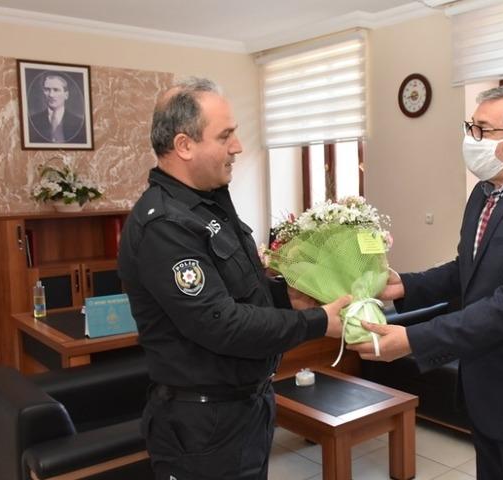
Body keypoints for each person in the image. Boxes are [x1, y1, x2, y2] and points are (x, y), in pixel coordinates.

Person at [350, 84, 503, 480]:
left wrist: (414, 339)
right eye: (471, 127)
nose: (472, 139)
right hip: (488, 393)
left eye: (484, 130)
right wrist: (405, 285)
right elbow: (468, 268)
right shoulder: (486, 193)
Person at [117, 77, 350, 480]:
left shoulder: (208, 206)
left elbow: (243, 290)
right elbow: (220, 323)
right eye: (225, 136)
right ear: (184, 146)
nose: (238, 147)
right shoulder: (165, 226)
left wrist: (286, 297)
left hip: (244, 409)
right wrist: (317, 322)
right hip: (202, 426)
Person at [28, 73, 87, 144]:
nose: (51, 95)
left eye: (56, 90)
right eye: (47, 90)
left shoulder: (79, 123)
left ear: (66, 95)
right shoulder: (33, 121)